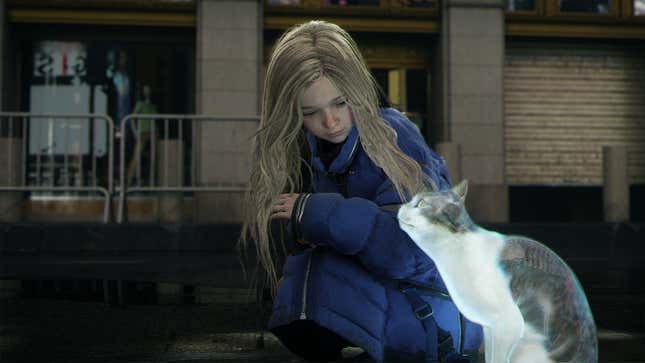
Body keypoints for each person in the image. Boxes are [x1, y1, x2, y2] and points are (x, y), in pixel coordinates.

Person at [241, 20, 482, 362]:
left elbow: (410, 250)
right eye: (311, 112)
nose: (330, 121)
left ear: (356, 91)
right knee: (300, 281)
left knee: (314, 272)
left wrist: (319, 214)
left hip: (438, 316)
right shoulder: (313, 151)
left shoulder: (393, 138)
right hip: (397, 312)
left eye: (340, 103)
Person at [126, 84, 157, 186]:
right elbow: (132, 118)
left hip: (153, 132)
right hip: (143, 132)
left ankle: (153, 181)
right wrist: (135, 132)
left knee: (154, 157)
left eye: (148, 90)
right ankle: (128, 181)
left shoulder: (153, 105)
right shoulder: (140, 104)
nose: (147, 92)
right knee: (136, 156)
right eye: (145, 90)